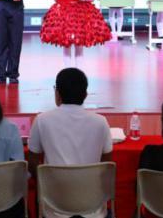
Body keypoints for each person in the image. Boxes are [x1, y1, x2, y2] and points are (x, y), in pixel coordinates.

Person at [28, 68, 113, 218]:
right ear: (85, 94)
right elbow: (106, 166)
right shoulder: (101, 122)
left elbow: (32, 162)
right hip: (92, 209)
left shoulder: (42, 120)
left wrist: (47, 184)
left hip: (54, 208)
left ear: (57, 93)